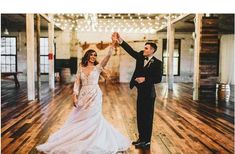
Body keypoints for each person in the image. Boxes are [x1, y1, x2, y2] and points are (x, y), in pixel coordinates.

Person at [36, 42, 130, 153]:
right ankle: (80, 138)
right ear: (87, 56)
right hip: (83, 94)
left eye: (95, 55)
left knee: (93, 116)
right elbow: (77, 82)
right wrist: (74, 95)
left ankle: (94, 140)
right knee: (81, 116)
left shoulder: (98, 67)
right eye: (91, 54)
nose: (93, 57)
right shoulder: (81, 67)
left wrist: (112, 47)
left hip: (95, 94)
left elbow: (107, 57)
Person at [112, 32, 162, 150]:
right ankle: (141, 138)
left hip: (149, 93)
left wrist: (145, 79)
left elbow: (158, 79)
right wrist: (120, 40)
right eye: (144, 48)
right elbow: (130, 50)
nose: (144, 49)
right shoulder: (140, 56)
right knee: (140, 116)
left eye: (146, 48)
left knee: (147, 117)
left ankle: (147, 141)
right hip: (141, 92)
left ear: (152, 50)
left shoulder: (158, 63)